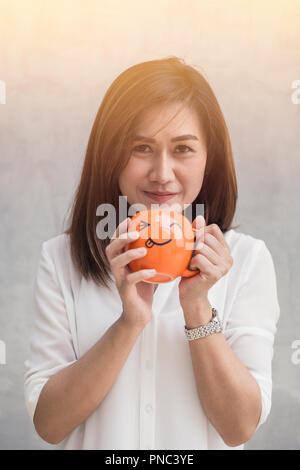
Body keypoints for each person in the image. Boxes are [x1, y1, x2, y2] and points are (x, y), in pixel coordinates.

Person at [24, 56, 280, 450]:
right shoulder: (61, 259)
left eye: (183, 149)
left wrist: (197, 309)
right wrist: (128, 323)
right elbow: (50, 423)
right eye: (142, 147)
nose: (162, 173)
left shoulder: (247, 261)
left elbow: (239, 427)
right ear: (111, 154)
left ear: (208, 157)